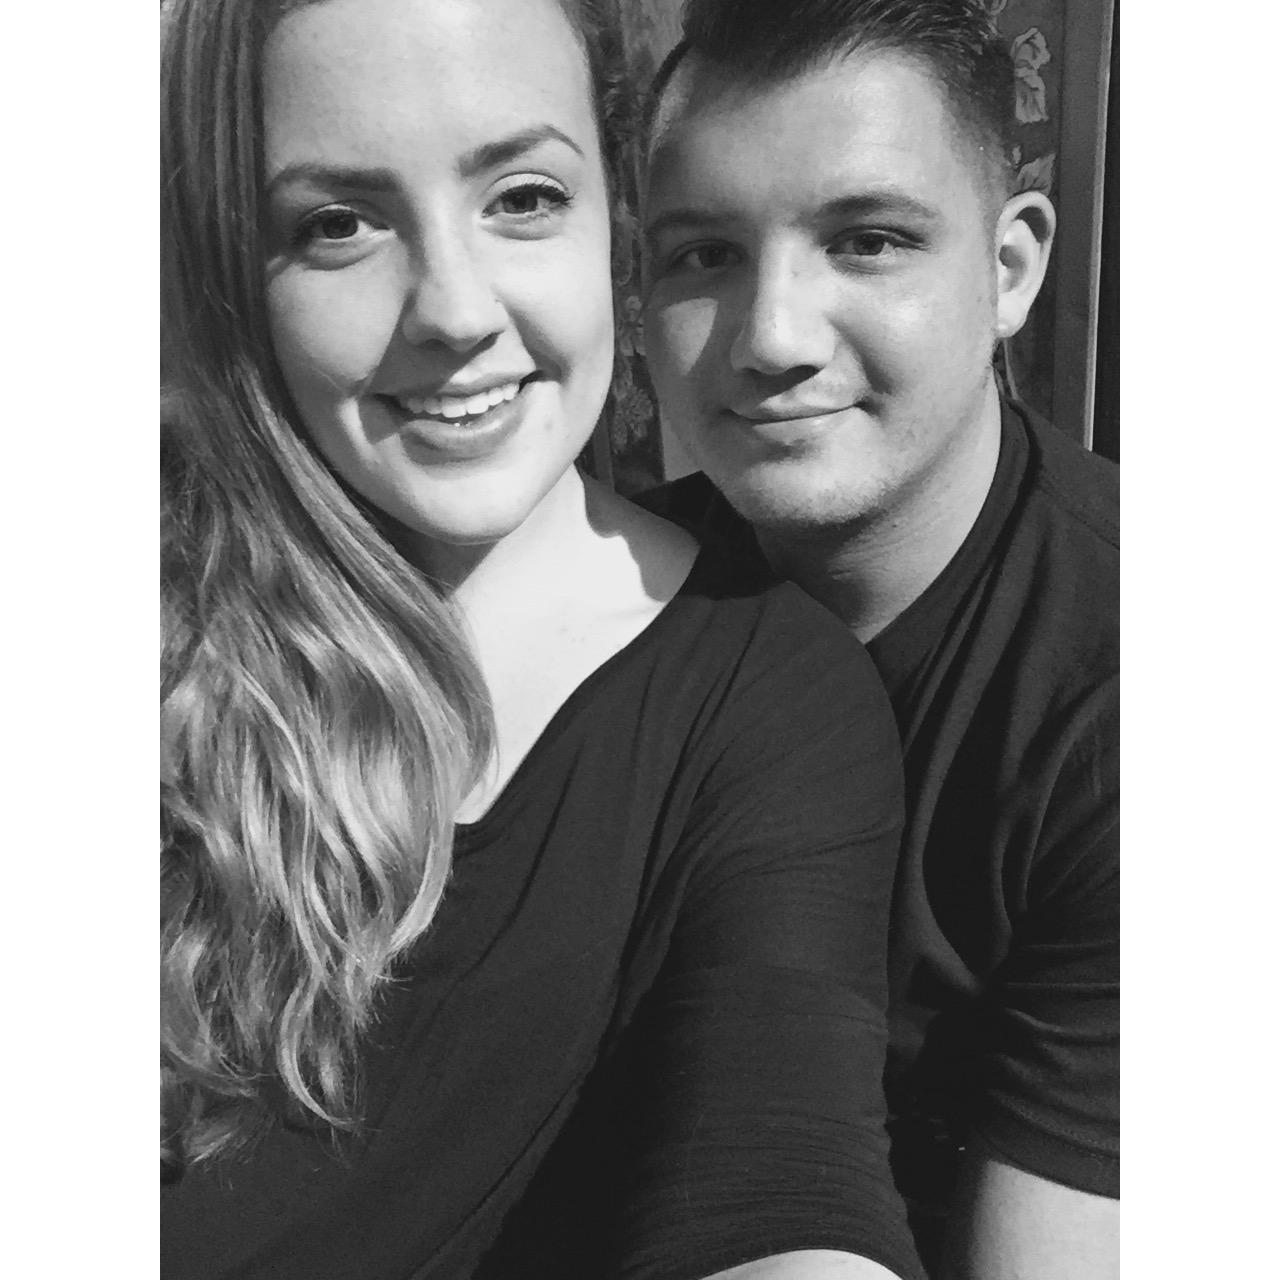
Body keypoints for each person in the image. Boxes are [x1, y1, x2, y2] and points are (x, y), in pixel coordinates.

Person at [159, 0, 927, 1277]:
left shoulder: (762, 699)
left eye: (521, 198)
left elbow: (784, 1170)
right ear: (235, 266)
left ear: (614, 223)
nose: (454, 310)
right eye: (338, 224)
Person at [638, 2, 1119, 1277]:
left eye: (866, 241)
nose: (772, 337)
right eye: (703, 254)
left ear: (1008, 269)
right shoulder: (604, 605)